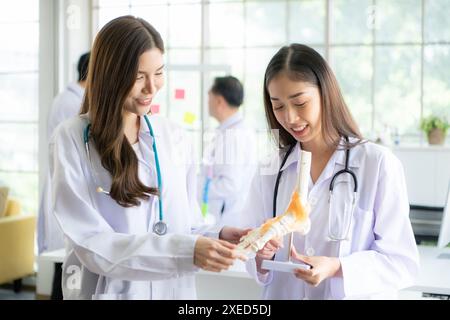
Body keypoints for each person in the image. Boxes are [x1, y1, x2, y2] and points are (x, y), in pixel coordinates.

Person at [49, 16, 246, 300]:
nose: (152, 88)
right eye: (139, 76)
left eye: (159, 73)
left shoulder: (174, 136)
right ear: (110, 74)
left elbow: (185, 223)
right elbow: (91, 243)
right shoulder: (72, 139)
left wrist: (219, 235)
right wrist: (184, 251)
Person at [240, 44, 419, 299]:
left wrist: (338, 267)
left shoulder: (377, 164)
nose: (290, 118)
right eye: (278, 107)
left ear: (326, 94)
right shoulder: (271, 169)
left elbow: (402, 263)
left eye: (300, 103)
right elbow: (251, 251)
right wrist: (260, 255)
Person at [38, 52, 90, 299]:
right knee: (67, 266)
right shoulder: (73, 104)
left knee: (67, 264)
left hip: (66, 184)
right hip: (67, 185)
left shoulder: (70, 99)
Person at [200, 76, 257, 227]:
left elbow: (230, 184)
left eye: (209, 98)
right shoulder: (232, 131)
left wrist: (196, 188)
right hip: (226, 215)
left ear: (219, 101)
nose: (207, 103)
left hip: (229, 218)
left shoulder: (234, 136)